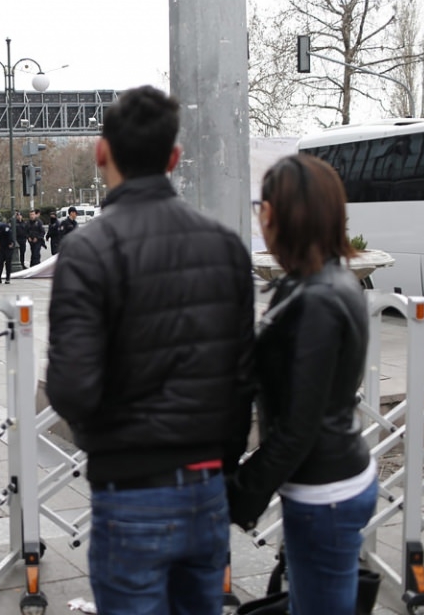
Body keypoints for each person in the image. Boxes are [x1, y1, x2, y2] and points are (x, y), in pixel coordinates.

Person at [46, 85, 255, 615]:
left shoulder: (88, 250)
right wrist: (222, 467)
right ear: (173, 159)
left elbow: (71, 389)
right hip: (206, 486)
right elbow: (241, 378)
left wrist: (107, 443)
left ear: (101, 152)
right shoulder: (225, 246)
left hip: (130, 490)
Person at [227, 154, 374, 615]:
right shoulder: (320, 283)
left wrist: (238, 495)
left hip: (325, 493)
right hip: (327, 483)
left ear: (274, 213)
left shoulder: (319, 299)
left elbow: (298, 425)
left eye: (261, 207)